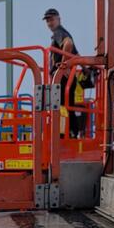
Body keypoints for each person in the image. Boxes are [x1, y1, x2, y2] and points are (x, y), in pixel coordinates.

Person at [43, 8, 85, 137]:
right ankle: (71, 133)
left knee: (58, 106)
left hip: (61, 78)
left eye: (52, 19)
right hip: (66, 78)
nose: (49, 23)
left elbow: (68, 44)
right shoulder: (64, 33)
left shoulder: (59, 32)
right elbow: (76, 54)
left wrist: (63, 66)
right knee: (67, 105)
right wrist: (86, 68)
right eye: (47, 21)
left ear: (59, 19)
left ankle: (62, 134)